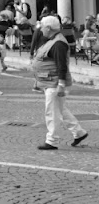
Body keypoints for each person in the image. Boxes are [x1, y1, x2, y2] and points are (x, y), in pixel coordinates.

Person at [32, 16, 89, 150]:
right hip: (50, 81)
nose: (41, 30)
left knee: (52, 112)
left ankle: (52, 140)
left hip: (54, 83)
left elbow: (61, 65)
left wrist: (61, 85)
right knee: (61, 109)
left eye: (42, 27)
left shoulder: (58, 43)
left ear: (48, 28)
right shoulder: (52, 41)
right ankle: (79, 132)